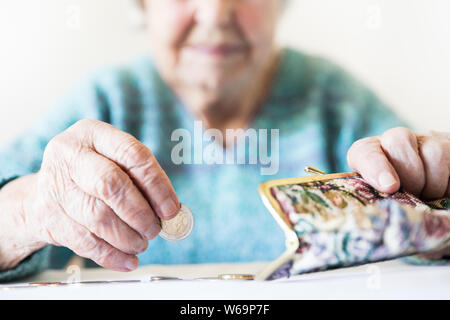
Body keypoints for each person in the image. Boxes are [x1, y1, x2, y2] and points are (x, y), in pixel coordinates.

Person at [0, 0, 448, 282]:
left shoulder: (336, 101)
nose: (215, 13)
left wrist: (438, 200)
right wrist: (26, 211)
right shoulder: (107, 99)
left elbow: (432, 213)